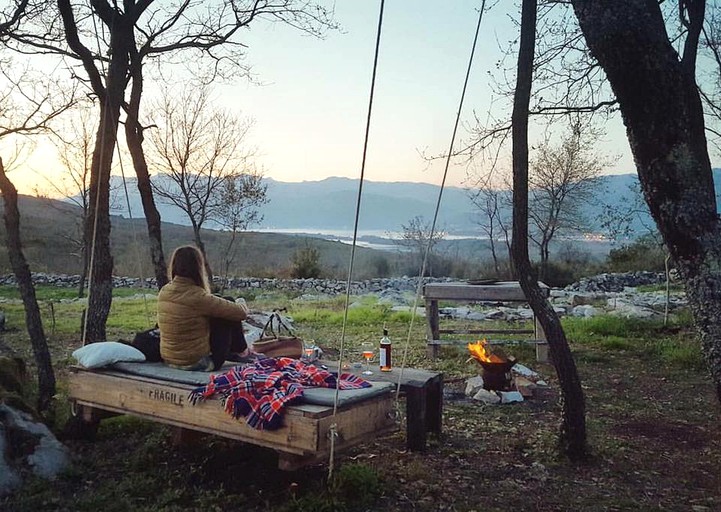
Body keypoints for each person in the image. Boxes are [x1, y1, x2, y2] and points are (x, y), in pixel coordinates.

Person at [158, 245, 249, 371]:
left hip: (170, 359)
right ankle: (241, 351)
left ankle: (239, 350)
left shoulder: (165, 291)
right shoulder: (197, 296)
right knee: (228, 304)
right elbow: (240, 313)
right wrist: (241, 301)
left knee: (219, 302)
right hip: (198, 363)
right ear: (198, 267)